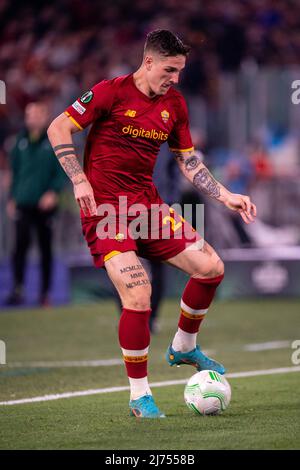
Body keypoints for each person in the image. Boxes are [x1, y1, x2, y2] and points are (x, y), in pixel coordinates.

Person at [47, 30, 256, 418]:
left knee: (211, 268)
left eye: (179, 71)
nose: (175, 79)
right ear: (148, 62)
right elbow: (58, 128)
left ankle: (183, 345)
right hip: (106, 211)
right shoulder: (110, 92)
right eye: (169, 70)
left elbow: (187, 159)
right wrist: (78, 178)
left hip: (148, 209)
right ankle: (139, 396)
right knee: (139, 296)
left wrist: (225, 194)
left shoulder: (174, 104)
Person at [6, 101, 66, 306]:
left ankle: (45, 293)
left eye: (35, 114)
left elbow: (62, 170)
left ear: (45, 116)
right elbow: (14, 172)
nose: (30, 118)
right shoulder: (19, 142)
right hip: (23, 202)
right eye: (28, 114)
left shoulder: (53, 140)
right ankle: (17, 289)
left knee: (45, 249)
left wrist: (54, 192)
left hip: (45, 206)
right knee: (19, 248)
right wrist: (12, 198)